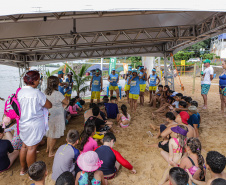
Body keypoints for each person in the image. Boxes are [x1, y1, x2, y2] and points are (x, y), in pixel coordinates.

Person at [18, 70, 52, 175]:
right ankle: (33, 173)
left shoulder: (20, 91)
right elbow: (49, 105)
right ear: (35, 80)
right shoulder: (36, 93)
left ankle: (23, 169)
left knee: (24, 146)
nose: (39, 81)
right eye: (39, 79)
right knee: (32, 148)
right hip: (34, 124)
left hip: (23, 123)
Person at [45, 76, 69, 157]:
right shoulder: (58, 94)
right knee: (54, 134)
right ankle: (51, 152)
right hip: (56, 115)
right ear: (56, 84)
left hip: (48, 114)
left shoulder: (45, 92)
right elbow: (66, 102)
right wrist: (62, 106)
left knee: (50, 132)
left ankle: (48, 148)